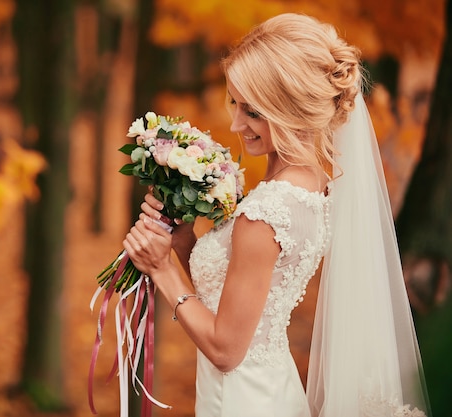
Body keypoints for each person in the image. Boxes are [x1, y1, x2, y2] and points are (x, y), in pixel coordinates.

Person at [122, 13, 430, 417]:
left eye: (253, 112)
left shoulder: (264, 215)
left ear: (290, 109)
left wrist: (161, 268)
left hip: (241, 401)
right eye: (235, 104)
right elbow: (240, 299)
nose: (235, 124)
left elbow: (225, 349)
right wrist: (184, 243)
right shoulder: (311, 186)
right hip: (271, 390)